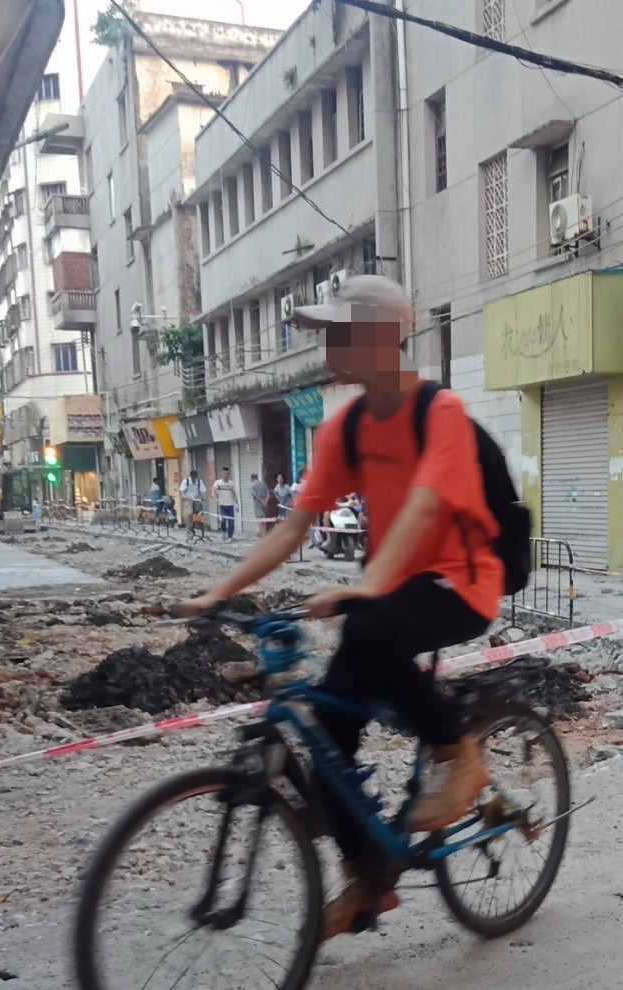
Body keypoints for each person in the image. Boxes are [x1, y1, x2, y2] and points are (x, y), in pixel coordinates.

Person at [174, 274, 503, 940]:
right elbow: (294, 527)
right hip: (391, 588)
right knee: (326, 732)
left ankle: (458, 753)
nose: (329, 348)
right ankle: (369, 878)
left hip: (461, 581)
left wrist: (370, 583)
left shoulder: (438, 411)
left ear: (385, 336)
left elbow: (425, 506)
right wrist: (221, 592)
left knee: (374, 626)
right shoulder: (346, 427)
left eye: (340, 334)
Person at [212, 466, 239, 540]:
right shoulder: (218, 483)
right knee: (223, 520)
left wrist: (237, 504)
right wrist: (216, 499)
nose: (226, 475)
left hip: (230, 505)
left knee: (231, 522)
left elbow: (234, 494)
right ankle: (223, 531)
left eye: (227, 474)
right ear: (222, 474)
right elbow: (213, 492)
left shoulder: (231, 483)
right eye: (224, 474)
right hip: (222, 505)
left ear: (229, 474)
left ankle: (230, 536)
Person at [179, 470, 207, 536]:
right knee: (189, 513)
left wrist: (204, 497)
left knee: (200, 512)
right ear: (191, 476)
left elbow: (203, 491)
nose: (194, 479)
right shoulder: (186, 481)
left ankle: (200, 527)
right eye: (193, 477)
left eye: (195, 477)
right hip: (188, 499)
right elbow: (182, 491)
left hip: (197, 499)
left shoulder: (199, 481)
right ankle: (188, 529)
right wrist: (184, 496)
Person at [250, 473, 269, 538]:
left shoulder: (252, 485)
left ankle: (263, 534)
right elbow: (268, 494)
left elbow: (254, 495)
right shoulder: (264, 484)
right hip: (264, 500)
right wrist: (265, 501)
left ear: (252, 478)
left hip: (257, 502)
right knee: (263, 518)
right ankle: (264, 532)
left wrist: (261, 501)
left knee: (259, 518)